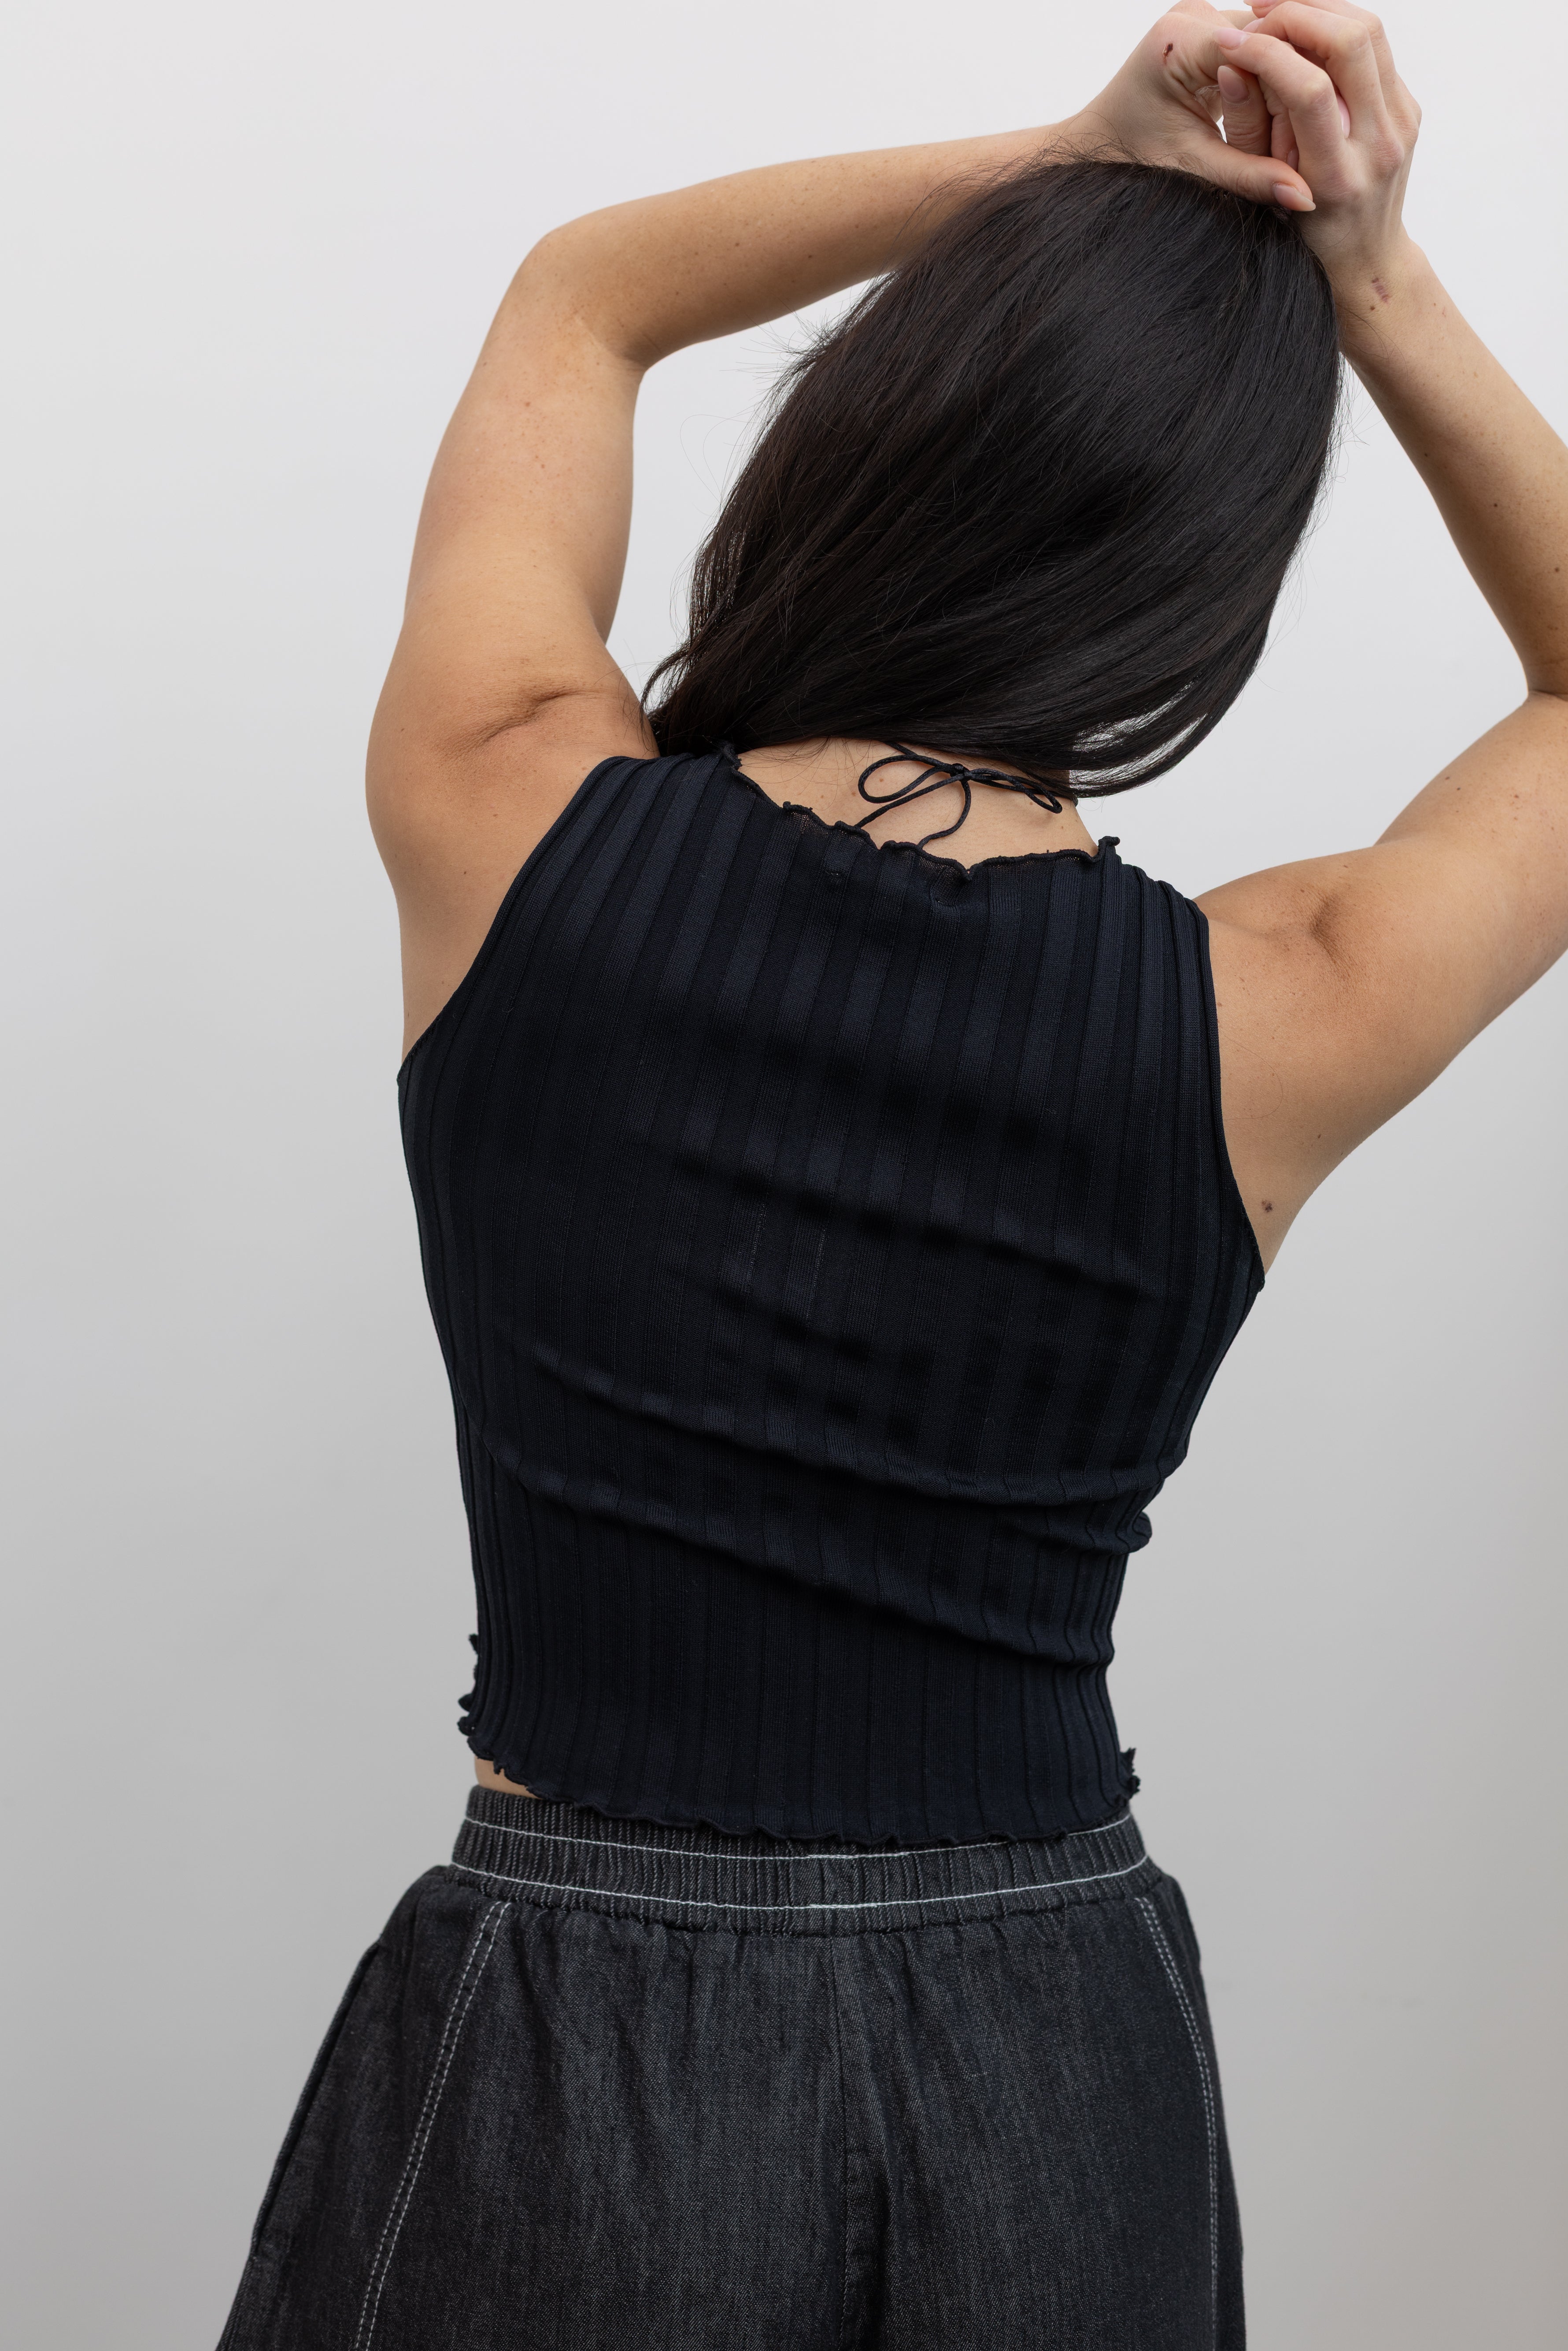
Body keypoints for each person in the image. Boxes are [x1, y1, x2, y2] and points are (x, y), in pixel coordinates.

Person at [218, 4, 1568, 2345]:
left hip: (576, 2019)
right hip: (1054, 2046)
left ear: (842, 467)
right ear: (1191, 597)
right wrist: (1365, 275)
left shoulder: (509, 800)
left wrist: (1070, 158)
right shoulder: (1282, 1002)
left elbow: (580, 294)